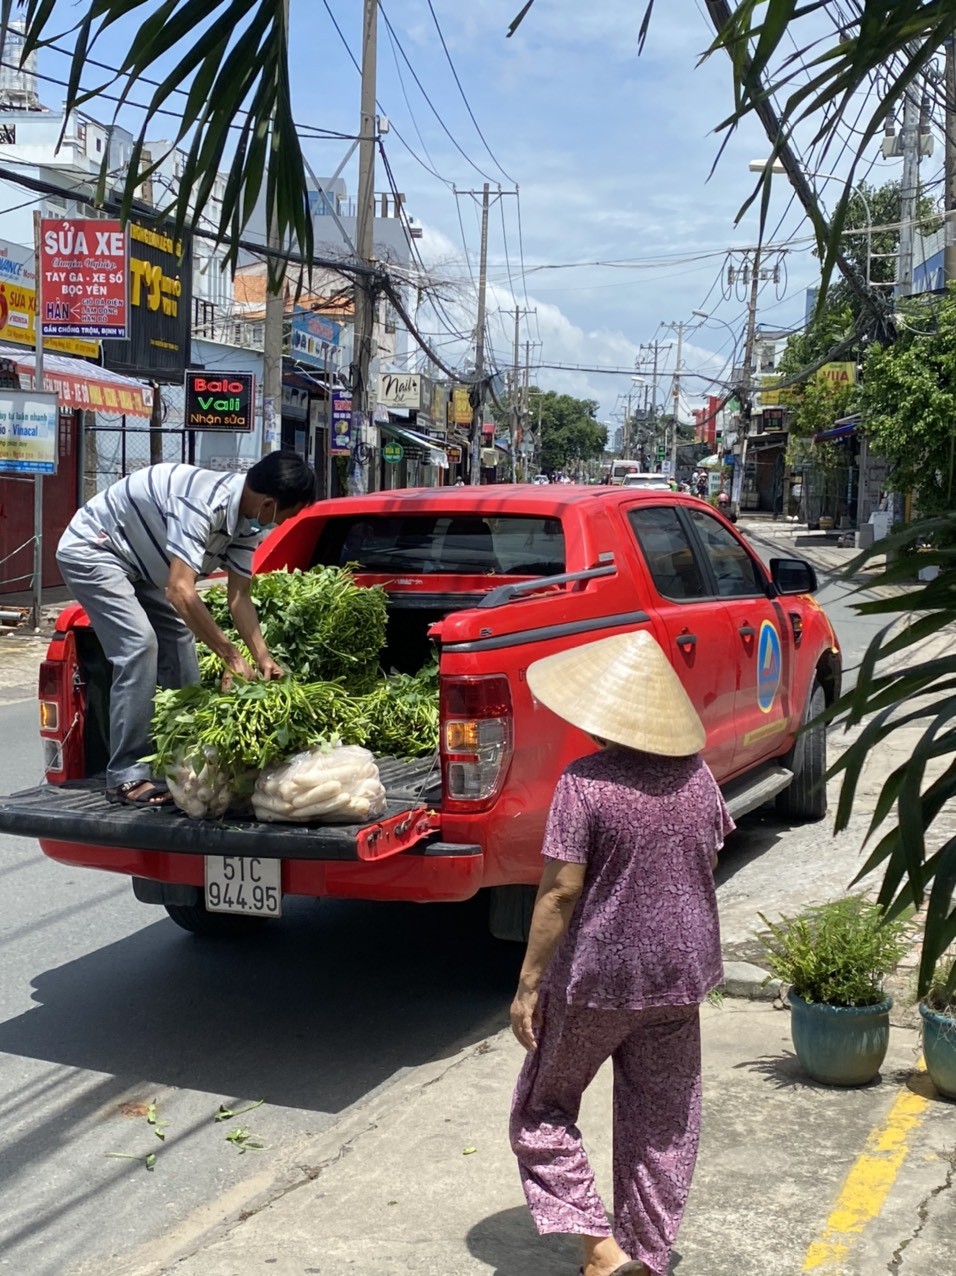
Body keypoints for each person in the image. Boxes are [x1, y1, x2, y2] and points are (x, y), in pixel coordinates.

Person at [509, 629, 733, 1276]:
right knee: (663, 1122)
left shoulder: (585, 784)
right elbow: (707, 854)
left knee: (541, 1111)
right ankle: (649, 1255)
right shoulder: (698, 778)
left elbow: (559, 893)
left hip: (597, 982)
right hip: (681, 974)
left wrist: (528, 985)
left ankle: (601, 1250)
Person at [56, 453, 316, 807]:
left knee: (180, 637)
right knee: (139, 644)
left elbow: (239, 596)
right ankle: (126, 776)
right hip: (94, 551)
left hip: (140, 563)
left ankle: (188, 755)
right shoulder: (201, 504)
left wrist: (263, 657)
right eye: (289, 514)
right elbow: (180, 590)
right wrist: (229, 653)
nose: (285, 522)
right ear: (269, 503)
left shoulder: (248, 523)